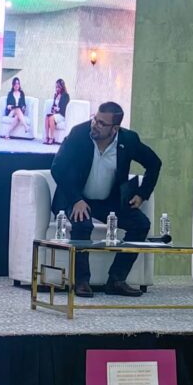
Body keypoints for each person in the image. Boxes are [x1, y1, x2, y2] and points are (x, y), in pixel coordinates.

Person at [50, 101, 161, 298]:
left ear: (115, 128)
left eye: (102, 123)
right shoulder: (79, 134)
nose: (95, 125)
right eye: (95, 119)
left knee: (141, 224)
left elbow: (154, 163)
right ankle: (81, 281)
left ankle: (116, 280)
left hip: (108, 201)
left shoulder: (129, 140)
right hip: (76, 197)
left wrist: (142, 194)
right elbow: (57, 167)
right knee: (82, 223)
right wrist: (76, 199)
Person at [43, 78, 70, 145]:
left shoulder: (66, 95)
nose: (57, 88)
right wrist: (53, 109)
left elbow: (64, 108)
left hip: (62, 115)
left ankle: (52, 138)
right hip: (56, 114)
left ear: (62, 86)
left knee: (51, 117)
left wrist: (57, 109)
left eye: (58, 87)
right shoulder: (56, 95)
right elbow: (53, 105)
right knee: (47, 117)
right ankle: (47, 137)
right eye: (56, 87)